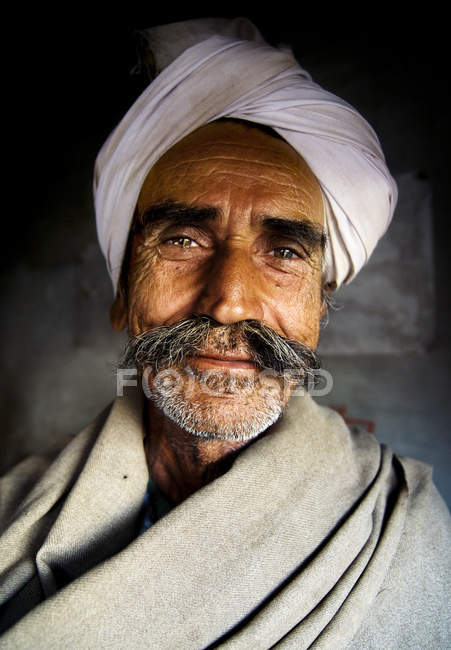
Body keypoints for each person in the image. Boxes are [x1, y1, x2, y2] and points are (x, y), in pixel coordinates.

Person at [1, 18, 449, 649]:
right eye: (183, 240)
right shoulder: (13, 525)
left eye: (285, 253)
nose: (230, 302)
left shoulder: (401, 526)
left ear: (321, 307)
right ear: (123, 294)